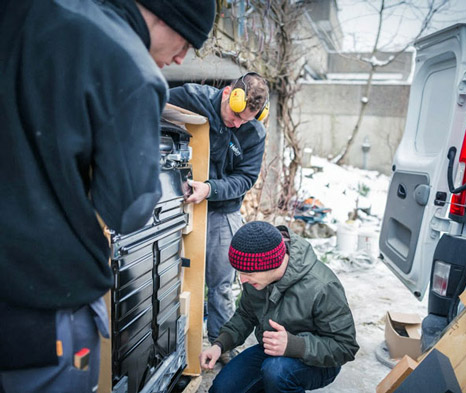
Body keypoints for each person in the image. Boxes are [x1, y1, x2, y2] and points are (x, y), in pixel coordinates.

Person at [0, 1, 215, 392]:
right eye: (186, 40)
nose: (183, 55)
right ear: (162, 14)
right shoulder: (129, 64)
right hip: (44, 310)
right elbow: (128, 210)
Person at [168, 73, 270, 361]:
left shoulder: (254, 133)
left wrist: (210, 189)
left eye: (246, 120)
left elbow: (245, 179)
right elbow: (149, 105)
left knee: (221, 285)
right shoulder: (192, 98)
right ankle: (174, 344)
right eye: (235, 115)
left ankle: (220, 344)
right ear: (227, 93)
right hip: (179, 206)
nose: (238, 124)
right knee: (175, 279)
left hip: (221, 212)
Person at [199, 221, 360, 392]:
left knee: (276, 372)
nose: (243, 279)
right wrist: (220, 344)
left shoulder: (322, 286)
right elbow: (246, 315)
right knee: (221, 389)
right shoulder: (256, 278)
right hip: (272, 350)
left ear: (271, 264)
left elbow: (345, 347)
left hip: (317, 361)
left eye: (248, 274)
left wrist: (296, 345)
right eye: (240, 272)